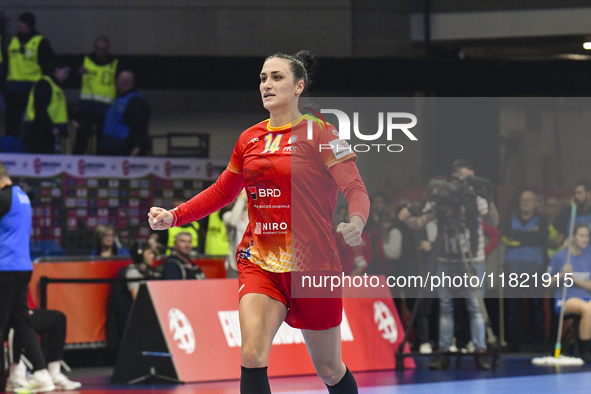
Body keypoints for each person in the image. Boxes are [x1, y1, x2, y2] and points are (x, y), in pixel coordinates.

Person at [148, 50, 369, 394]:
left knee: (328, 368)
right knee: (252, 355)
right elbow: (222, 191)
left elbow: (355, 188)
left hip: (314, 267)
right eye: (263, 78)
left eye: (277, 77)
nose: (267, 84)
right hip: (260, 261)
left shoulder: (324, 134)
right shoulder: (249, 139)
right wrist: (175, 216)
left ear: (298, 87)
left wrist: (356, 221)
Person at [399, 160, 497, 370]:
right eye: (459, 179)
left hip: (472, 259)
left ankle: (480, 350)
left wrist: (488, 196)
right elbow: (419, 222)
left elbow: (494, 221)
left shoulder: (474, 199)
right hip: (445, 259)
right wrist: (407, 218)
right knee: (445, 307)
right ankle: (443, 351)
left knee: (475, 307)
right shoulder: (440, 200)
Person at [0, 162, 55, 392]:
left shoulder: (3, 198)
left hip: (5, 267)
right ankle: (42, 374)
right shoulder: (22, 195)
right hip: (22, 265)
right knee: (21, 322)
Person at [502, 189, 548, 351]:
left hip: (535, 267)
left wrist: (519, 236)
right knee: (513, 307)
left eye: (529, 199)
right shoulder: (509, 221)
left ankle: (538, 343)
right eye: (523, 199)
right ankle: (512, 344)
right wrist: (529, 235)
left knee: (536, 306)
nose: (525, 202)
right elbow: (506, 235)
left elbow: (540, 238)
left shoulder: (542, 221)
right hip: (512, 268)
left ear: (536, 204)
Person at [5, 12, 55, 137]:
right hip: (13, 88)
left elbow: (50, 63)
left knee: (31, 122)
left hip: (32, 88)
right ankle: (12, 150)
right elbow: (6, 63)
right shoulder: (13, 40)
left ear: (28, 24)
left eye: (21, 22)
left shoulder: (39, 42)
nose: (18, 25)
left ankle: (30, 149)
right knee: (11, 123)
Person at [7, 308, 82, 391]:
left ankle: (54, 374)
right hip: (7, 314)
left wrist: (22, 309)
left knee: (58, 318)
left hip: (18, 310)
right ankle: (15, 374)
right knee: (18, 320)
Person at [549, 225, 591, 362]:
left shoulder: (589, 256)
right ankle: (585, 351)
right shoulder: (560, 257)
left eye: (587, 236)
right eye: (581, 236)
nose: (585, 239)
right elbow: (546, 283)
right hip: (565, 298)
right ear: (573, 238)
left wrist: (573, 278)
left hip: (586, 297)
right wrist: (562, 275)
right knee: (588, 309)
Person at [106, 242, 159, 349]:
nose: (153, 256)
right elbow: (138, 299)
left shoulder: (149, 271)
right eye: (149, 253)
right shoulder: (132, 272)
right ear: (140, 255)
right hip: (134, 321)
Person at [73, 36, 118, 154]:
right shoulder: (85, 60)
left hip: (106, 108)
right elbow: (73, 78)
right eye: (98, 49)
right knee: (81, 136)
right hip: (87, 106)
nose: (100, 52)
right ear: (94, 48)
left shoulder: (115, 64)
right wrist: (78, 73)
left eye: (103, 50)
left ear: (108, 49)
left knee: (102, 139)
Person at [98, 70, 151, 156]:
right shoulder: (120, 100)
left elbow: (139, 126)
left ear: (126, 82)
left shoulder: (135, 101)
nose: (115, 83)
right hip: (110, 148)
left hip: (123, 149)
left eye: (118, 80)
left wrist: (136, 146)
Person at [23, 61, 70, 154]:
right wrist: (51, 127)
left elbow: (59, 109)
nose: (66, 75)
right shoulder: (45, 84)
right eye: (65, 72)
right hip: (39, 130)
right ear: (57, 69)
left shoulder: (56, 87)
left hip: (49, 130)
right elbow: (40, 108)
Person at [553, 181, 591, 246]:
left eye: (579, 193)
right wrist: (570, 208)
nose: (576, 196)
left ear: (589, 194)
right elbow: (557, 225)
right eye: (575, 193)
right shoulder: (573, 214)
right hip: (573, 253)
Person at [223, 189, 249, 278]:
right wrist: (241, 198)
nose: (246, 200)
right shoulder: (228, 215)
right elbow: (232, 222)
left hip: (253, 264)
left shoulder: (256, 217)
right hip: (234, 265)